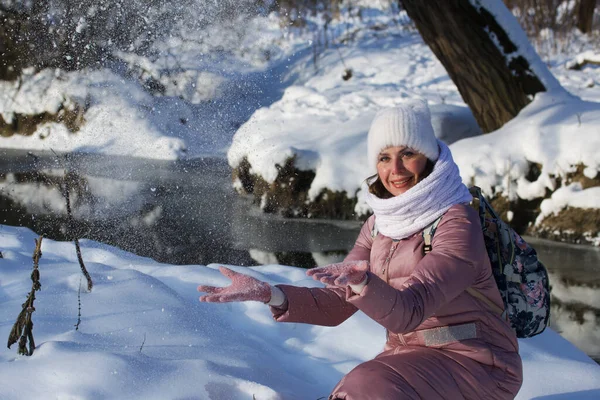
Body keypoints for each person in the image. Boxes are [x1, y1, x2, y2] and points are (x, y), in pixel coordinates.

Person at [198, 100, 523, 399]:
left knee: (366, 386)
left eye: (407, 153)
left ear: (428, 157)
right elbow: (338, 303)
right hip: (410, 358)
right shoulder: (379, 225)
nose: (395, 168)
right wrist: (271, 294)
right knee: (358, 388)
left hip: (478, 361)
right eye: (384, 157)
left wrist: (364, 284)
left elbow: (410, 310)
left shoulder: (456, 221)